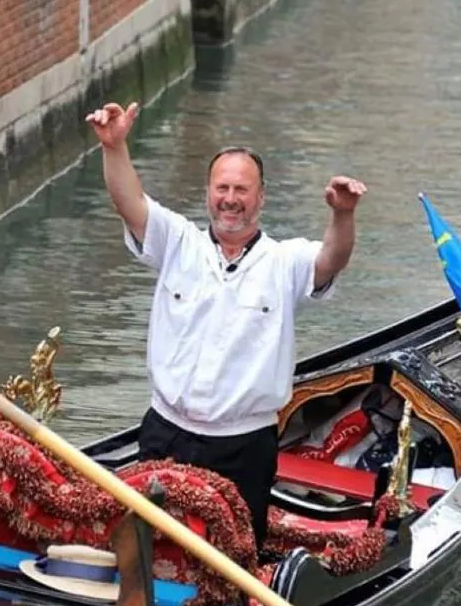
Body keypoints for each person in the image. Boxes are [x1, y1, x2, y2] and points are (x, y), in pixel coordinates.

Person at [85, 100, 366, 549]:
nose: (230, 199)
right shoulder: (177, 242)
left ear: (260, 198)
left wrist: (343, 214)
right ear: (208, 193)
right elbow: (128, 201)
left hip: (243, 445)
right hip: (167, 430)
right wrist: (114, 147)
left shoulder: (284, 261)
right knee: (148, 549)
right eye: (222, 188)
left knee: (233, 559)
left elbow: (332, 260)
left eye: (241, 189)